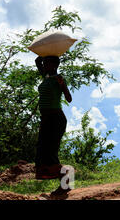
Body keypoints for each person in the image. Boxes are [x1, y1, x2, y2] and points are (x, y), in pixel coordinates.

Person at [35, 55, 72, 195]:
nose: (44, 65)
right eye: (44, 63)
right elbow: (37, 62)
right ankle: (65, 182)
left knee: (50, 151)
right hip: (46, 119)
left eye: (47, 63)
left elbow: (69, 99)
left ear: (54, 65)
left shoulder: (58, 78)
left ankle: (66, 180)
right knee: (42, 150)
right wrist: (44, 51)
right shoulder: (46, 77)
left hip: (55, 119)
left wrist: (62, 84)